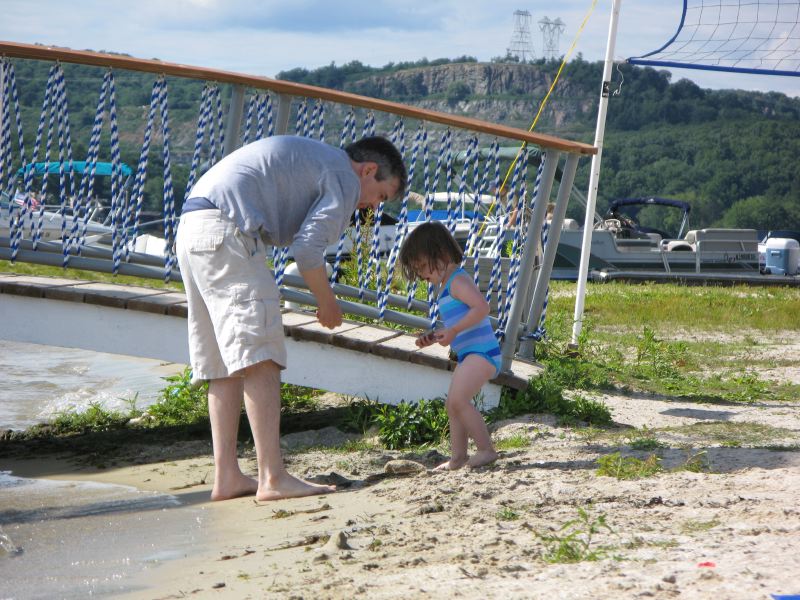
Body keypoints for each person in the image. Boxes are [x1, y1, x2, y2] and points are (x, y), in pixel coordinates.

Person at [176, 135, 407, 501]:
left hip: (193, 227)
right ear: (369, 170)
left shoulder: (317, 159)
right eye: (380, 196)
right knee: (260, 355)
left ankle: (228, 476)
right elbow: (307, 250)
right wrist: (327, 302)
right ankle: (272, 477)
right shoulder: (345, 178)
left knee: (223, 362)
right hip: (228, 231)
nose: (372, 207)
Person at [398, 221, 500, 470]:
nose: (422, 274)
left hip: (483, 353)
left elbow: (482, 308)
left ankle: (486, 450)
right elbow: (457, 322)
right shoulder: (445, 286)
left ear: (441, 254)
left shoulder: (457, 280)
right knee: (452, 404)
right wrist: (435, 336)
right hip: (470, 354)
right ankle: (458, 457)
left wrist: (453, 330)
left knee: (458, 401)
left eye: (422, 266)